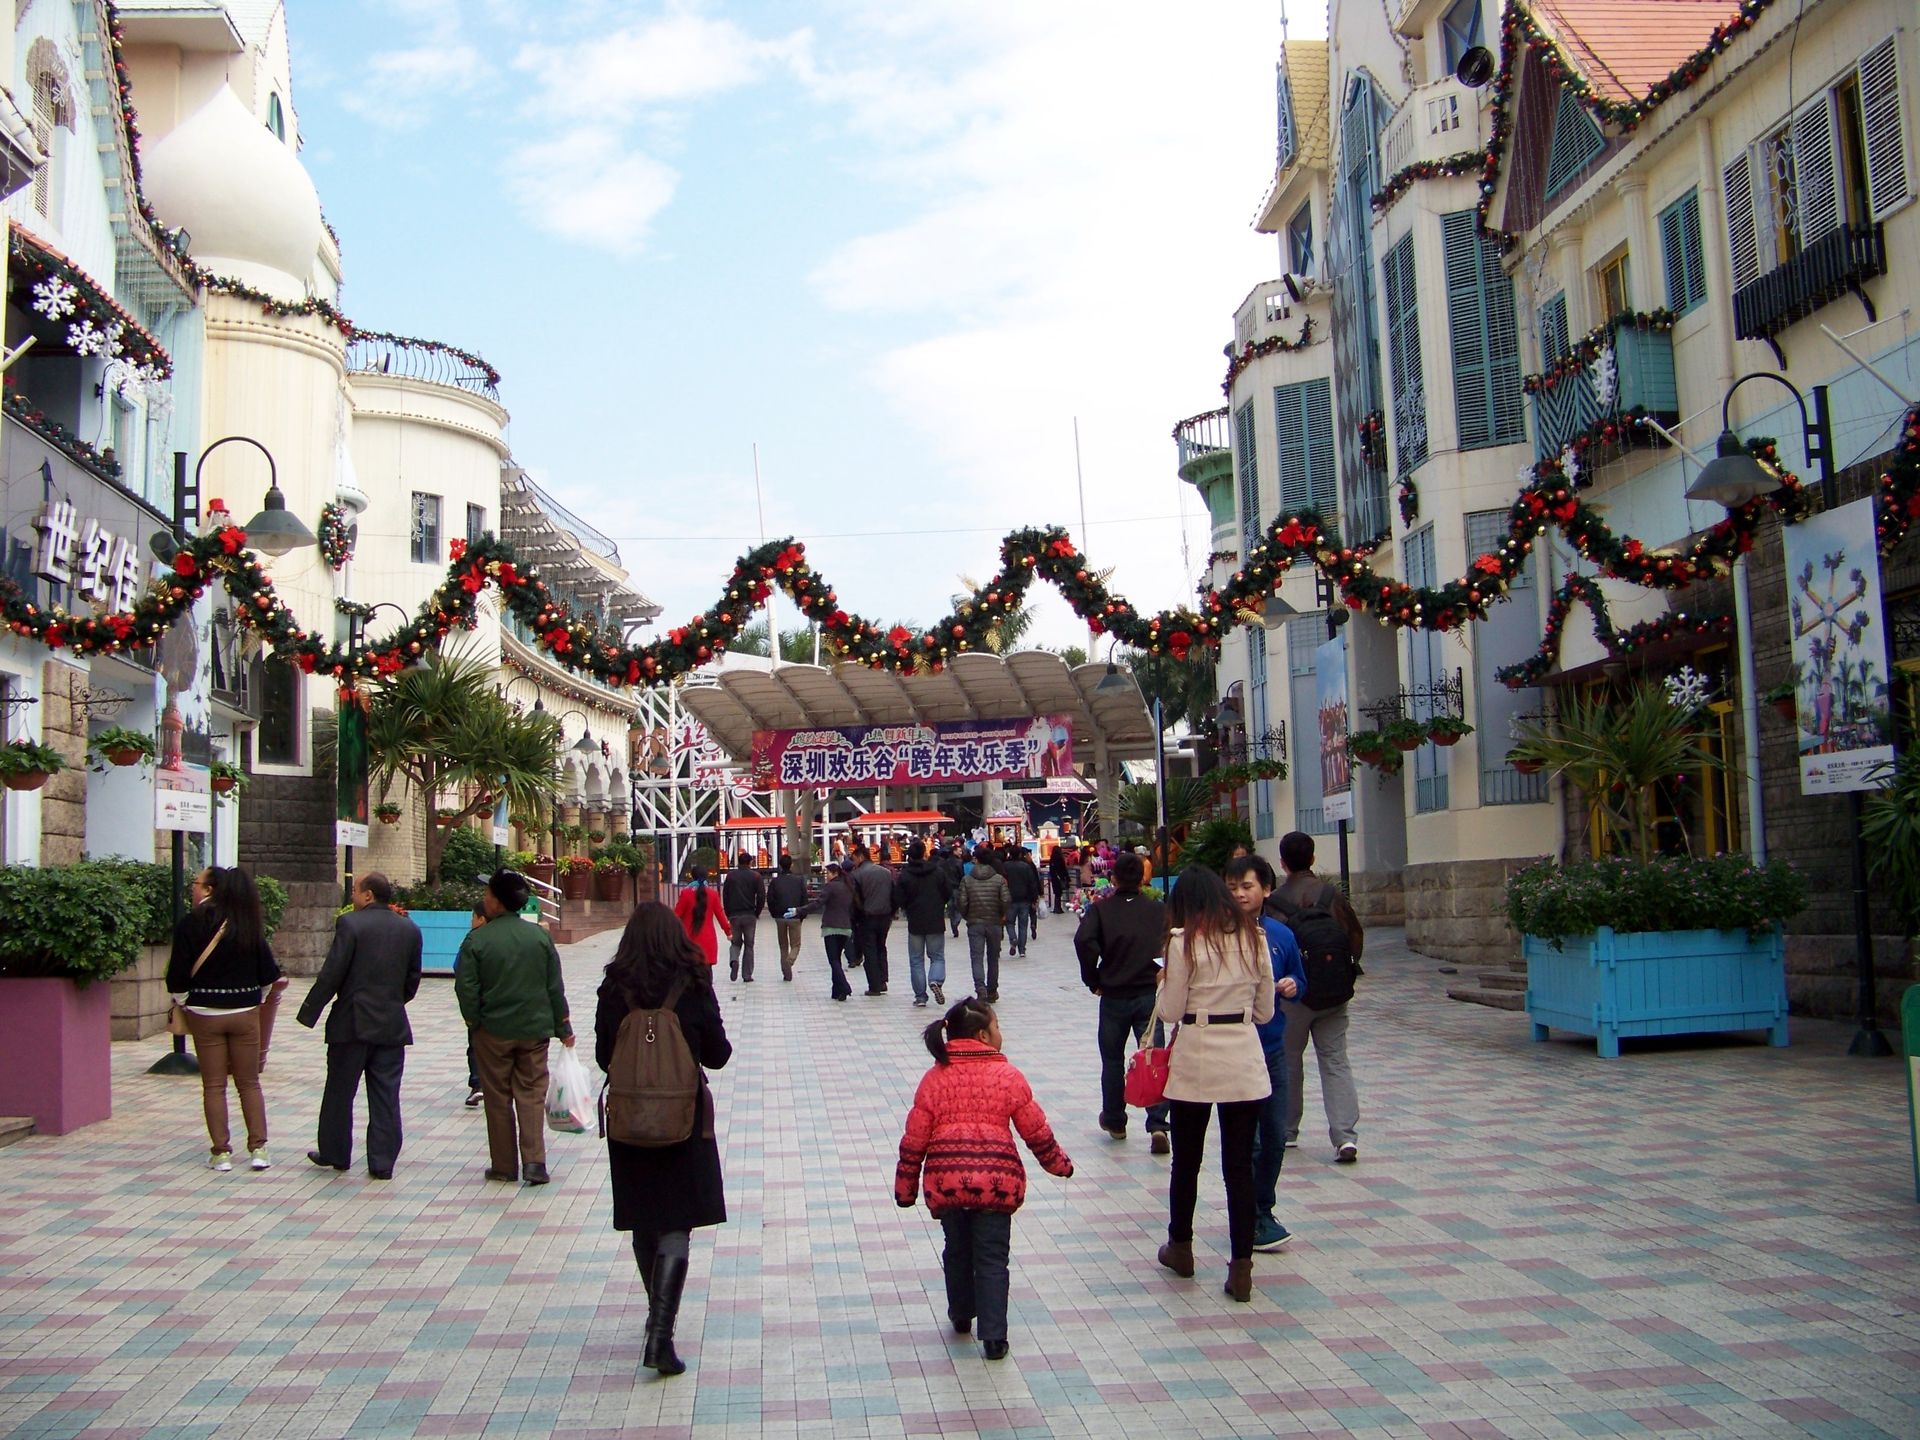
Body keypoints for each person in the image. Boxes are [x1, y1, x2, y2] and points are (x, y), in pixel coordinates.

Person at [894, 998, 1073, 1361]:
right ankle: (994, 1337)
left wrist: (906, 1188)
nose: (1000, 1033)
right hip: (996, 1182)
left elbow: (914, 1139)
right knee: (992, 1257)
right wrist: (1059, 1164)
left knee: (957, 1249)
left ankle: (961, 1314)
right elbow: (1035, 1131)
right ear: (982, 1036)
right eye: (997, 1027)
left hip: (947, 1181)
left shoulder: (933, 1079)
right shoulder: (1008, 1077)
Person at [596, 903, 733, 1377]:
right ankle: (661, 1334)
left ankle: (656, 1315)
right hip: (682, 1119)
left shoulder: (615, 985)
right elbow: (718, 1054)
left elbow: (604, 1055)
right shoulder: (693, 980)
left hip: (630, 1120)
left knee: (643, 1218)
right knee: (676, 1222)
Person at [1154, 865, 1274, 1304]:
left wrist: (1162, 985)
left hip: (1198, 1056)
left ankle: (1181, 1247)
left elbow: (1170, 1011)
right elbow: (1265, 1011)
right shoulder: (1254, 938)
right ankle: (1241, 1268)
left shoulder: (1183, 942)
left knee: (1187, 1160)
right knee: (1239, 1167)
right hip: (1243, 1056)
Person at [297, 871, 423, 1180]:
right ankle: (382, 1162)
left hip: (351, 1023)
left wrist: (309, 1012)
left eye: (354, 890)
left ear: (368, 895)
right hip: (391, 1025)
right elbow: (412, 980)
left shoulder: (350, 924)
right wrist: (392, 1002)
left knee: (340, 1092)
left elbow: (332, 973)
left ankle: (336, 1152)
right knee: (386, 1095)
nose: (351, 895)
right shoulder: (409, 929)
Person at [455, 869, 575, 1186]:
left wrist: (474, 1021)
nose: (484, 898)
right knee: (531, 1093)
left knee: (497, 1096)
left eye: (488, 894)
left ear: (496, 902)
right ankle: (535, 1162)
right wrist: (563, 1027)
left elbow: (466, 988)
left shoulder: (477, 940)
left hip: (493, 1030)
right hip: (534, 1031)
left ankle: (504, 1165)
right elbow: (554, 986)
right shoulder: (539, 937)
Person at [167, 866, 282, 1172]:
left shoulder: (190, 923)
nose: (193, 888)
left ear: (211, 889)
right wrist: (256, 999)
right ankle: (259, 1149)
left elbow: (177, 975)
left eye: (197, 883)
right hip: (244, 1012)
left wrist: (185, 1002)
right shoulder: (246, 923)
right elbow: (268, 975)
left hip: (205, 1012)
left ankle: (221, 1153)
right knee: (249, 1083)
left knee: (214, 1085)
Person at [1225, 855, 1304, 1251]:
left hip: (1272, 1048)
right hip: (1235, 1051)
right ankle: (1253, 1216)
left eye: (1247, 886)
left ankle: (1263, 1208)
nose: (1240, 894)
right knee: (1249, 1140)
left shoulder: (1281, 936)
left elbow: (1301, 980)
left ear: (1267, 890)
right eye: (1233, 887)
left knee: (1275, 1136)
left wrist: (1292, 985)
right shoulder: (1218, 936)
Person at [1271, 831, 1365, 1162]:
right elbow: (1354, 937)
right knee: (1335, 1060)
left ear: (1282, 863)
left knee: (1289, 1060)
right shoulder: (1332, 896)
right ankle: (1345, 1136)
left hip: (1293, 997)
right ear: (1312, 858)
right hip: (1334, 995)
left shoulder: (1275, 902)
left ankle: (1287, 1130)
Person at [1073, 851, 1171, 1153]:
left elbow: (1083, 941)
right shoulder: (1158, 910)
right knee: (1153, 1057)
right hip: (1148, 994)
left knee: (1113, 1060)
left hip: (1114, 994)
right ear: (1143, 878)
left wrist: (1093, 979)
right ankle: (1158, 1124)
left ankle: (1115, 1119)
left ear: (1113, 878)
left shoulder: (1101, 910)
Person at [894, 840, 955, 1008]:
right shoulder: (938, 872)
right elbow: (948, 892)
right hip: (935, 919)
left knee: (916, 960)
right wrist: (939, 904)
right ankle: (935, 980)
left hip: (915, 921)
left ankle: (920, 996)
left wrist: (907, 908)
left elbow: (899, 897)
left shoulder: (905, 875)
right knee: (937, 956)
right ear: (924, 853)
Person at [956, 850, 1010, 1002]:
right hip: (994, 922)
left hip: (975, 923)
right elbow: (1006, 900)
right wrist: (1001, 913)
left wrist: (967, 915)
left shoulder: (967, 880)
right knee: (993, 958)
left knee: (977, 957)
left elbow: (962, 901)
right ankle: (992, 990)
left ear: (977, 860)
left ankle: (980, 989)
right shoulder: (999, 879)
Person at [800, 861, 857, 1000]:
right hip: (845, 927)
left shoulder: (830, 887)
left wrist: (799, 910)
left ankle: (844, 986)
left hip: (831, 927)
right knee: (837, 959)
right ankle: (837, 991)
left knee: (833, 960)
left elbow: (818, 903)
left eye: (828, 873)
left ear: (835, 873)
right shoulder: (848, 886)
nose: (826, 876)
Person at [850, 845, 896, 995]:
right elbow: (894, 894)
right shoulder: (886, 873)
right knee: (881, 947)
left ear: (861, 857)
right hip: (885, 916)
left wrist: (856, 917)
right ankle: (883, 981)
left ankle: (874, 985)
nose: (854, 862)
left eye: (854, 859)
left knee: (870, 950)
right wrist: (892, 912)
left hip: (867, 917)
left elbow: (855, 899)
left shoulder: (856, 875)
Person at [673, 865, 731, 969]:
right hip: (708, 939)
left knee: (689, 972)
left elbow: (676, 916)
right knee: (707, 972)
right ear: (706, 876)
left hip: (689, 939)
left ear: (692, 876)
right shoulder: (713, 894)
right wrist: (728, 932)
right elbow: (721, 916)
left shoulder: (685, 893)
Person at [720, 857, 766, 982]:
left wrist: (728, 913)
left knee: (735, 942)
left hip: (734, 914)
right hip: (749, 914)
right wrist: (757, 912)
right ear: (750, 862)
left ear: (738, 862)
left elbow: (725, 895)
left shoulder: (731, 876)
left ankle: (734, 960)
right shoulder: (755, 876)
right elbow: (761, 896)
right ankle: (747, 975)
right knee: (749, 945)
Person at [766, 856, 808, 982]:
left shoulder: (775, 882)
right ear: (791, 865)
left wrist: (774, 913)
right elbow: (804, 898)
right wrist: (802, 914)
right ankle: (790, 960)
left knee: (783, 946)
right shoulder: (799, 881)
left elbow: (770, 899)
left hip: (780, 917)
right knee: (796, 944)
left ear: (780, 866)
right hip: (795, 916)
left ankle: (786, 973)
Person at [464, 901, 488, 1107]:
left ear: (481, 919)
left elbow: (463, 977)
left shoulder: (473, 940)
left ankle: (478, 1084)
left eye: (473, 917)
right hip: (508, 1009)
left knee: (476, 1046)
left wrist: (470, 1014)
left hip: (480, 1006)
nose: (471, 921)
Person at [1001, 846, 1042, 956]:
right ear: (1020, 854)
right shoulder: (1026, 866)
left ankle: (1013, 938)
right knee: (1023, 925)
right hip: (1024, 899)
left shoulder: (1005, 866)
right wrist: (1034, 898)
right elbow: (1032, 883)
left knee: (1010, 923)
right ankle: (1022, 949)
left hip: (1010, 899)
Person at [941, 842, 967, 938]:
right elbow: (961, 875)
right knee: (958, 906)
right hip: (956, 886)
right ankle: (956, 921)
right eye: (959, 851)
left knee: (951, 907)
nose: (961, 852)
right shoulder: (959, 862)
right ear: (954, 851)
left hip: (947, 887)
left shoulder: (945, 863)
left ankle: (953, 923)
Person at [1047, 845, 1070, 914]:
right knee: (1059, 893)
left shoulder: (1052, 859)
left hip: (1054, 878)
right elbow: (1063, 869)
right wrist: (1067, 877)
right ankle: (1058, 908)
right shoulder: (1060, 859)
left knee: (1056, 893)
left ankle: (1056, 908)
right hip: (1060, 878)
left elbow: (1051, 870)